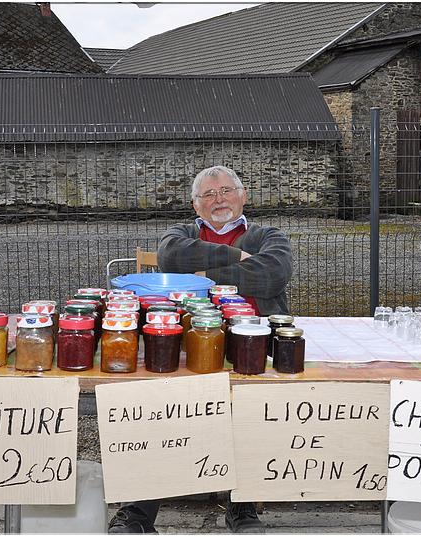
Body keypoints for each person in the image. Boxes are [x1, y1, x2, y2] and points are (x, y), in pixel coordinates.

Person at [108, 165, 293, 534]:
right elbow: (171, 256)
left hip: (254, 343)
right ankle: (138, 514)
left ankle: (242, 509)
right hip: (187, 344)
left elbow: (274, 272)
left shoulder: (267, 235)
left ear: (243, 196)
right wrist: (238, 259)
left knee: (250, 414)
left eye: (226, 191)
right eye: (208, 195)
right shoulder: (181, 233)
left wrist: (208, 276)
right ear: (195, 204)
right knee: (162, 411)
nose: (218, 199)